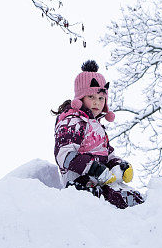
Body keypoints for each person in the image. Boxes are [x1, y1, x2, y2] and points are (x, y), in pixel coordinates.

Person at [52, 60, 144, 208]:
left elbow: (107, 154)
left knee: (134, 199)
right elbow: (64, 155)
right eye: (91, 97)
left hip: (102, 179)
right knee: (114, 203)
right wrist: (94, 168)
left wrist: (120, 165)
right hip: (80, 181)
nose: (97, 102)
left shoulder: (96, 126)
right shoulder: (72, 122)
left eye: (101, 98)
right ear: (80, 98)